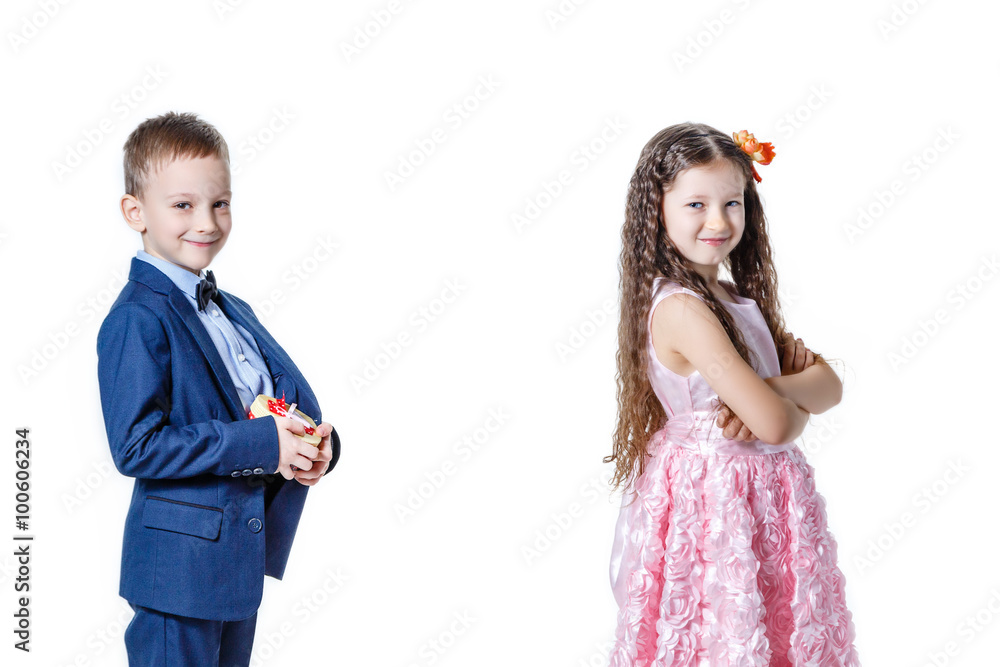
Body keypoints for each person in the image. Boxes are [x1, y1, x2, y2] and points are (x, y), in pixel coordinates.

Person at [605, 122, 860, 665]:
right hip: (716, 500)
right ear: (658, 209)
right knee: (723, 628)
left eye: (732, 202)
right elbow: (775, 426)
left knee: (773, 626)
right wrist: (786, 406)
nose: (718, 221)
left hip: (766, 496)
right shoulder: (681, 309)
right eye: (696, 203)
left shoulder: (735, 298)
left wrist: (764, 392)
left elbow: (830, 387)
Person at [96, 111, 340, 666]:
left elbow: (286, 403)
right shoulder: (136, 319)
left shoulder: (233, 309)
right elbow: (135, 448)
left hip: (236, 564)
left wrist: (315, 448)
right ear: (136, 211)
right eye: (182, 205)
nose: (206, 221)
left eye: (220, 203)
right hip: (177, 576)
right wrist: (262, 445)